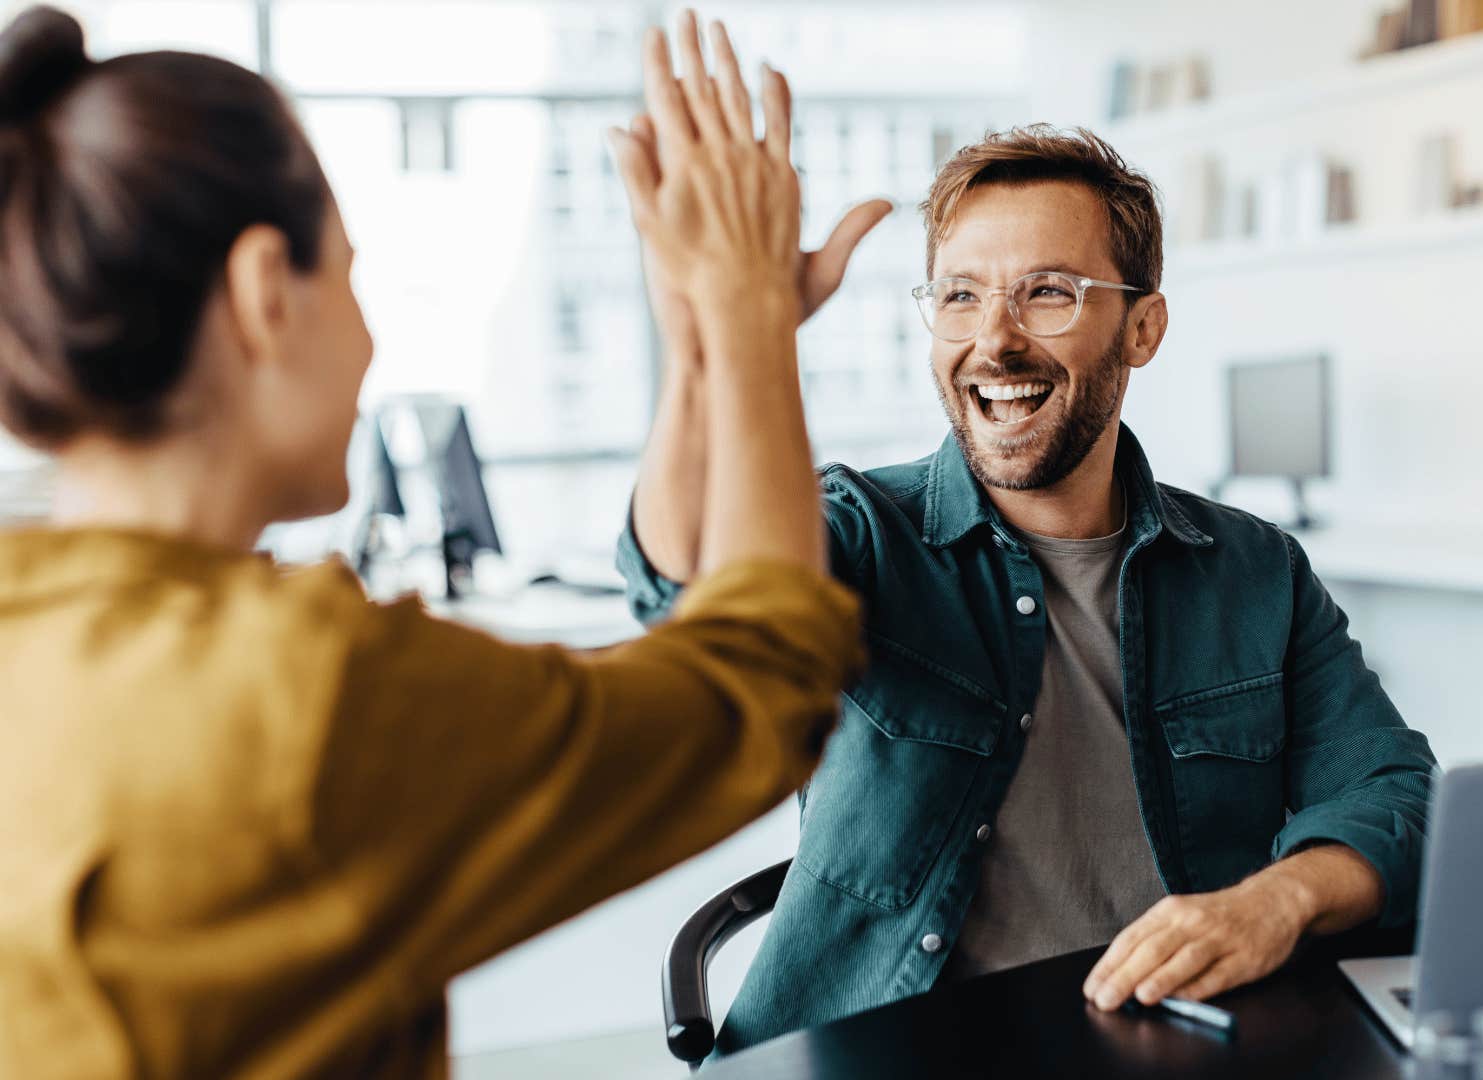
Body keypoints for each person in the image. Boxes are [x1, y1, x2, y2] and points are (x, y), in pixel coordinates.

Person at [0, 8, 864, 1076]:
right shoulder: (300, 693)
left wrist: (699, 355)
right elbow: (761, 685)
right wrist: (745, 308)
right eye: (351, 276)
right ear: (266, 292)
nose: (369, 341)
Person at [622, 123, 1438, 1054]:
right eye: (961, 296)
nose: (994, 342)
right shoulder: (859, 533)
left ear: (1143, 328)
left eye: (1048, 293)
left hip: (1160, 1047)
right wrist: (709, 344)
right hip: (880, 1053)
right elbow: (684, 583)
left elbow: (1397, 792)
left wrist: (1278, 900)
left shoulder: (1254, 570)